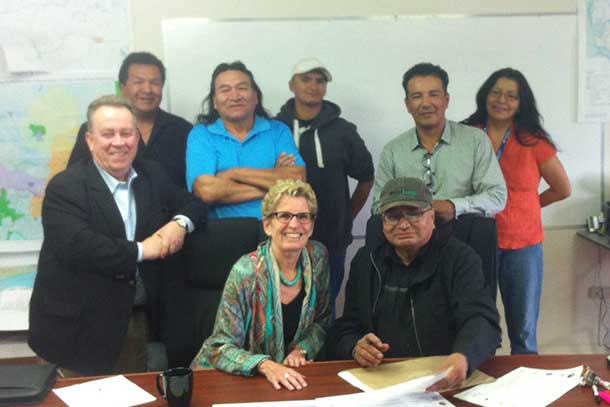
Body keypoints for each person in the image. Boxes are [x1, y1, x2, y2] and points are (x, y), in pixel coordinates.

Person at [28, 95, 207, 376]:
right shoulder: (65, 187)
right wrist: (143, 250)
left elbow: (194, 204)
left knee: (134, 395)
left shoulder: (152, 175)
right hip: (77, 328)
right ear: (89, 140)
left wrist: (179, 224)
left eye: (126, 133)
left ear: (137, 137)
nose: (119, 142)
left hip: (134, 320)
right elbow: (79, 246)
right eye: (108, 134)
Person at [335, 177, 501, 390]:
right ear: (382, 223)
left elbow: (482, 320)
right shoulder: (366, 261)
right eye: (393, 216)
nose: (403, 224)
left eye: (413, 213)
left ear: (432, 217)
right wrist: (355, 346)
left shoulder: (460, 258)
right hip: (383, 383)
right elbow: (348, 325)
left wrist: (463, 356)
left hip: (445, 379)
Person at [462, 68, 571, 354]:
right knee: (476, 323)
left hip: (522, 245)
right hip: (475, 242)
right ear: (485, 94)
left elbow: (563, 189)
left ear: (521, 103)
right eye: (496, 92)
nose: (501, 100)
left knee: (522, 329)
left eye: (511, 95)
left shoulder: (533, 141)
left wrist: (529, 206)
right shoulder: (466, 135)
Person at [191, 179, 331, 391]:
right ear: (267, 225)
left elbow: (323, 320)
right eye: (284, 216)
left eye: (303, 216)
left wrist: (302, 349)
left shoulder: (318, 258)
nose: (294, 224)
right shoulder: (245, 272)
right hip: (235, 383)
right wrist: (264, 364)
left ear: (311, 226)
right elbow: (218, 348)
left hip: (291, 380)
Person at [276, 57, 374, 309]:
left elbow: (366, 177)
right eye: (305, 79)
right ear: (291, 85)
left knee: (322, 312)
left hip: (331, 240)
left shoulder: (343, 131)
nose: (313, 85)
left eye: (320, 80)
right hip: (283, 239)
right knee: (281, 311)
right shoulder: (275, 129)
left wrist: (347, 216)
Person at [372, 62, 507, 222]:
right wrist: (411, 211)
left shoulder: (475, 140)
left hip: (465, 235)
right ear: (407, 104)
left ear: (447, 99)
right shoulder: (393, 150)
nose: (426, 103)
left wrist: (453, 206)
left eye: (433, 94)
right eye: (417, 96)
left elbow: (497, 197)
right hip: (410, 238)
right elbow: (378, 207)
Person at [186, 61, 305, 219]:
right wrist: (275, 182)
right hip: (221, 232)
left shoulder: (277, 130)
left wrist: (232, 173)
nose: (234, 96)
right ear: (214, 101)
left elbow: (297, 179)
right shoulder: (202, 134)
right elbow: (207, 192)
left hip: (276, 231)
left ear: (255, 96)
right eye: (225, 90)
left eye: (242, 88)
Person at [67, 52, 192, 189]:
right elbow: (74, 181)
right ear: (122, 87)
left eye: (155, 83)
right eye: (138, 82)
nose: (147, 89)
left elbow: (191, 187)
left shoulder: (183, 130)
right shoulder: (95, 130)